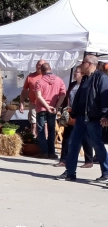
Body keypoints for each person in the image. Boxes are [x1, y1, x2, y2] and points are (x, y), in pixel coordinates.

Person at [58, 54, 108, 182]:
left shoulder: (101, 78)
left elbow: (105, 98)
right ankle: (70, 172)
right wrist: (73, 112)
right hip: (80, 119)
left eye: (83, 62)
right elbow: (80, 97)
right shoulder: (85, 79)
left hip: (93, 119)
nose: (81, 64)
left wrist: (105, 115)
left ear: (90, 64)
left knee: (97, 145)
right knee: (73, 145)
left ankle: (106, 172)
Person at [56, 65, 93, 168]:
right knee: (66, 137)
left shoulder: (86, 85)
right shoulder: (72, 85)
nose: (74, 74)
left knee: (85, 138)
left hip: (82, 115)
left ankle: (89, 160)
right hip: (71, 113)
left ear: (82, 74)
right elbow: (67, 98)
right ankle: (63, 160)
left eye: (76, 72)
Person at [33, 62, 66, 159]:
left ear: (41, 71)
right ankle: (52, 152)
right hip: (53, 108)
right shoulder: (59, 80)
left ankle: (44, 152)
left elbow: (38, 96)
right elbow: (63, 94)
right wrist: (56, 106)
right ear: (50, 69)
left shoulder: (39, 81)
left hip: (42, 108)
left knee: (41, 130)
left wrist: (47, 106)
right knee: (51, 130)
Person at [20, 59, 46, 137]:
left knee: (44, 125)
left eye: (42, 65)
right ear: (36, 66)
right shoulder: (30, 77)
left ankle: (43, 142)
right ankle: (33, 140)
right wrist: (22, 103)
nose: (40, 67)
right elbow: (24, 91)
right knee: (34, 125)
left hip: (45, 105)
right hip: (33, 104)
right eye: (38, 65)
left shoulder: (47, 76)